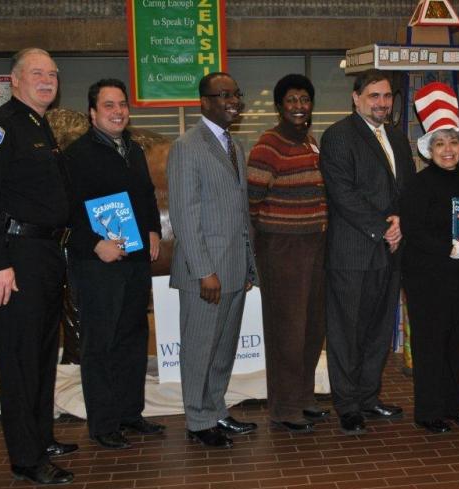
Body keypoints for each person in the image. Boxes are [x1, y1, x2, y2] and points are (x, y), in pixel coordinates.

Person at [0, 48, 76, 485]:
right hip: (16, 258)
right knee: (19, 359)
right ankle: (26, 458)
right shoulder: (0, 128)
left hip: (44, 256)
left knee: (45, 355)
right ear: (14, 79)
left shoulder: (38, 125)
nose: (46, 80)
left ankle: (41, 436)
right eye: (36, 73)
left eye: (52, 74)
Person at [65, 78, 165, 449]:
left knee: (133, 338)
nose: (118, 111)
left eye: (122, 104)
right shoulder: (76, 156)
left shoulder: (133, 150)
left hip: (135, 259)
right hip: (98, 264)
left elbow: (146, 195)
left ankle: (129, 413)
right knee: (100, 344)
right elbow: (64, 212)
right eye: (109, 105)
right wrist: (94, 244)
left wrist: (153, 229)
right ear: (92, 113)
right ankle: (104, 423)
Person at [319, 68, 416, 435]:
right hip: (353, 252)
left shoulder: (396, 136)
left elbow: (407, 188)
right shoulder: (338, 136)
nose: (382, 102)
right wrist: (383, 228)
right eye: (374, 96)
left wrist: (401, 222)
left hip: (391, 251)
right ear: (356, 98)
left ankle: (368, 396)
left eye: (387, 96)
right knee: (346, 331)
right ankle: (347, 405)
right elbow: (343, 194)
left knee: (378, 329)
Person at [167, 72, 258, 449]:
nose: (232, 100)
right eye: (223, 95)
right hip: (205, 273)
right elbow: (185, 215)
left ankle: (217, 410)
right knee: (200, 347)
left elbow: (240, 212)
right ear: (203, 101)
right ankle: (198, 420)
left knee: (223, 348)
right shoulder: (188, 146)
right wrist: (205, 271)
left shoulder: (234, 147)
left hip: (235, 268)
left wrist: (249, 264)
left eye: (235, 93)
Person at [247, 74, 328, 433]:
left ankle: (305, 397)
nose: (299, 106)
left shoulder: (311, 142)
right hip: (282, 248)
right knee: (288, 330)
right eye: (291, 100)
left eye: (304, 100)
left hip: (315, 244)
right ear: (280, 106)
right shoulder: (269, 145)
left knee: (312, 326)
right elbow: (251, 201)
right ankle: (284, 407)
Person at [400, 82, 459, 434]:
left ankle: (454, 403)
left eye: (452, 142)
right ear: (429, 149)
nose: (447, 150)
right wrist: (447, 247)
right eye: (439, 143)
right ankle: (429, 410)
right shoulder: (418, 185)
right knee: (430, 344)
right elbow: (413, 230)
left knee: (458, 342)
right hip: (427, 279)